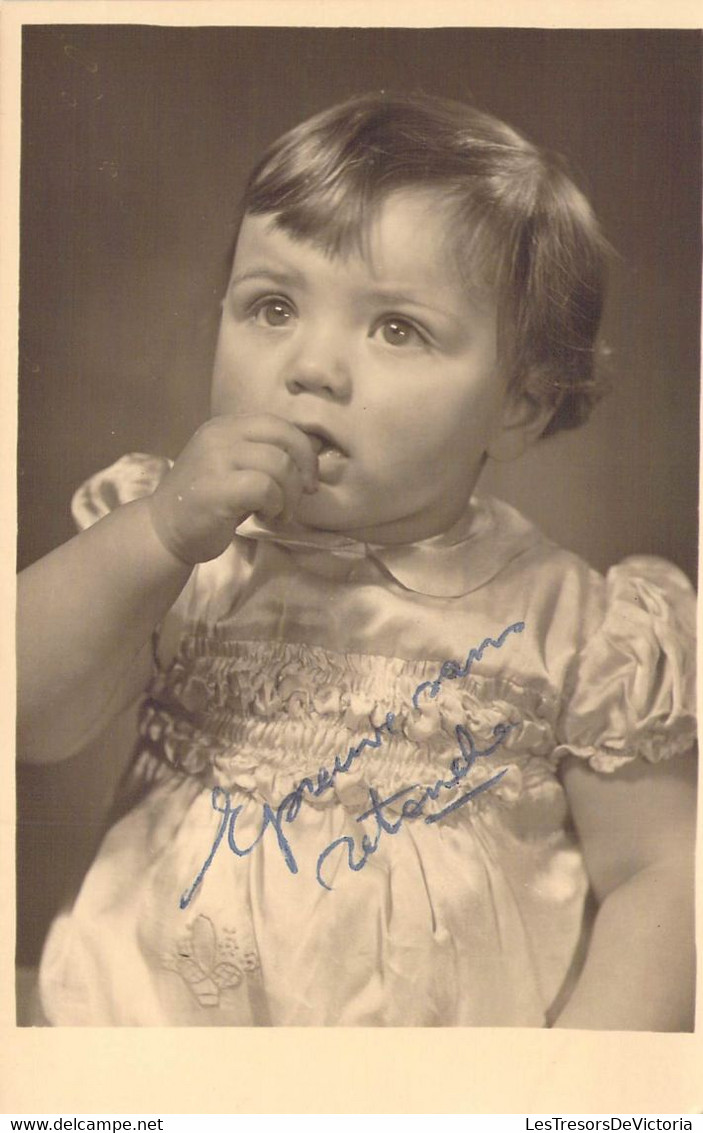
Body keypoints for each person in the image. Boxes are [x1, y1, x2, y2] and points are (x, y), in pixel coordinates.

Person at [17, 92, 696, 1028]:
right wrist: (159, 535)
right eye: (273, 306)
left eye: (395, 329)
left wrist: (572, 1095)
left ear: (520, 405)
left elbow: (659, 880)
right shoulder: (191, 558)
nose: (312, 366)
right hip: (145, 1056)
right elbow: (26, 717)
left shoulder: (573, 625)